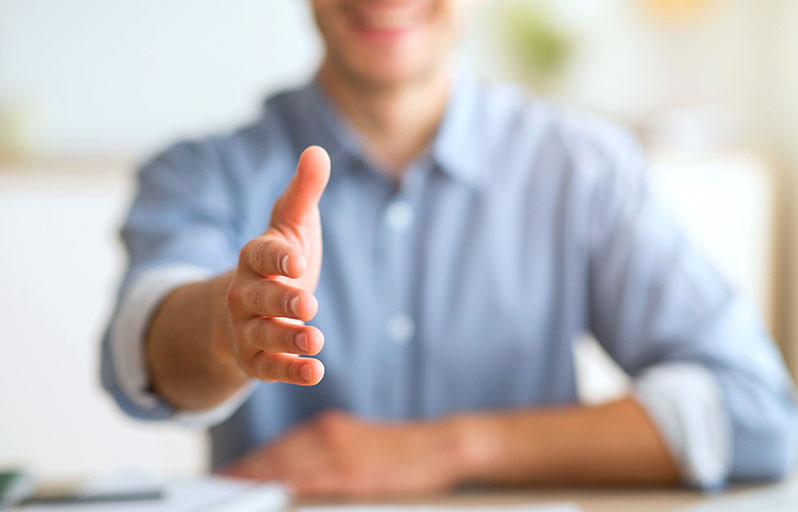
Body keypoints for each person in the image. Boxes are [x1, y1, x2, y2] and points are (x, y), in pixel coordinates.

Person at [101, 0, 796, 498]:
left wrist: (449, 448)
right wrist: (229, 325)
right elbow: (144, 349)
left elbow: (758, 413)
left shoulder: (583, 167)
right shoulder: (199, 170)